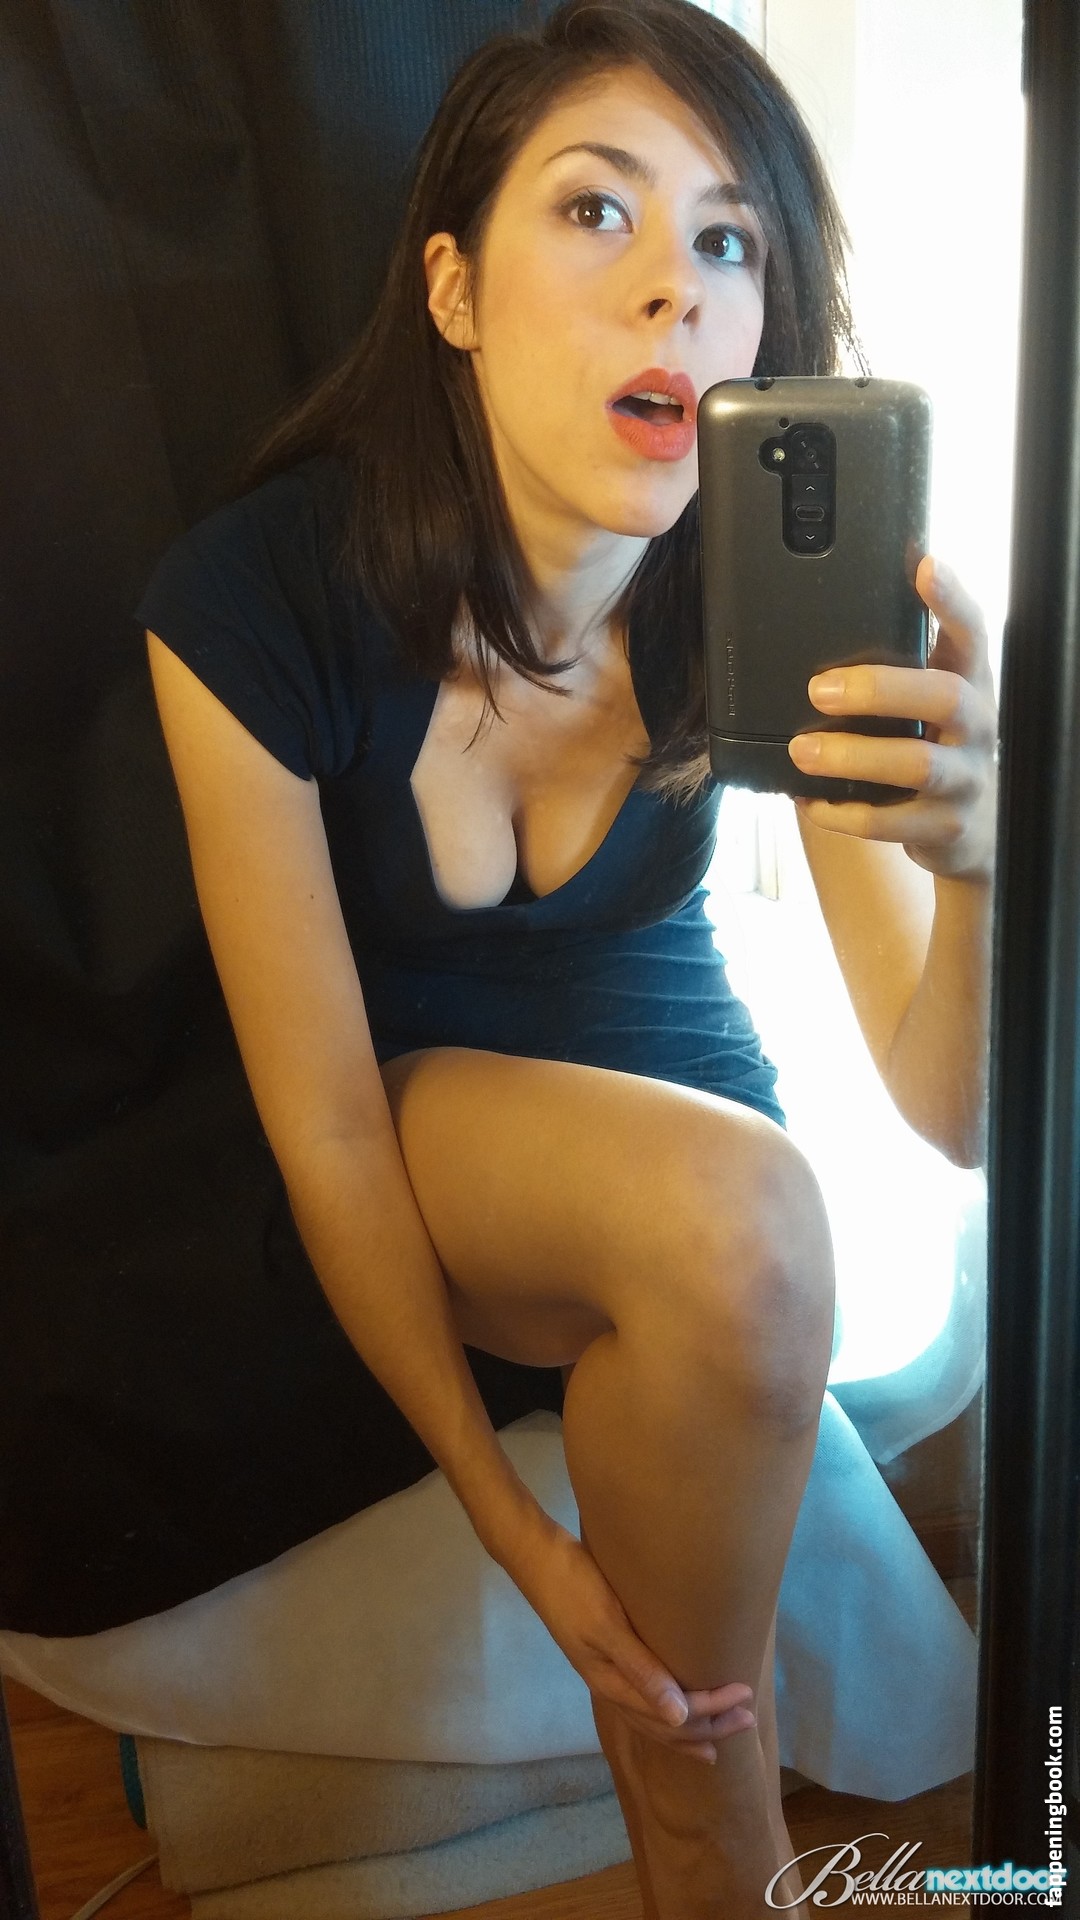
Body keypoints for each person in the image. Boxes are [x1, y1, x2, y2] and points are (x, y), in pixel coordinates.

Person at [140, 1, 998, 1912]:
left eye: (727, 240)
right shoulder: (252, 600)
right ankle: (722, 1832)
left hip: (686, 1137)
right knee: (741, 1228)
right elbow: (330, 1130)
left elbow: (951, 1109)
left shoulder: (761, 596)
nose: (674, 289)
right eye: (597, 211)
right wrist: (514, 1528)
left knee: (747, 1229)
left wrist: (982, 862)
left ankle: (706, 1833)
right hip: (421, 1118)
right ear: (453, 289)